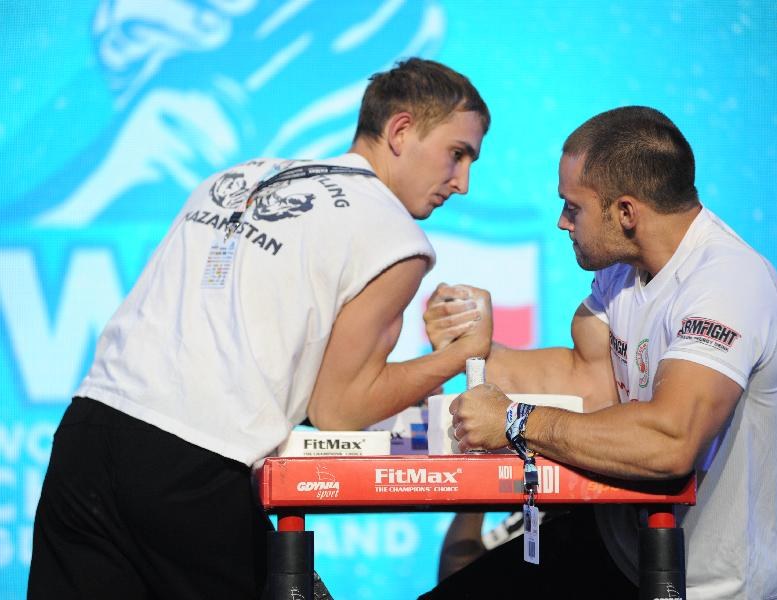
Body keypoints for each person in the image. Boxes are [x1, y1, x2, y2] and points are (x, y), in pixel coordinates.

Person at [28, 57, 492, 600]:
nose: (461, 182)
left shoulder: (237, 176)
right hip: (190, 465)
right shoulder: (393, 235)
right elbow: (339, 408)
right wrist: (464, 352)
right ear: (400, 130)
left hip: (87, 436)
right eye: (457, 155)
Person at [420, 106, 777, 599]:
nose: (562, 222)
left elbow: (670, 442)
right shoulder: (622, 268)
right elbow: (586, 378)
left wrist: (515, 420)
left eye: (572, 207)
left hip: (712, 587)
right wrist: (469, 348)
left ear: (625, 213)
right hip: (619, 555)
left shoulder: (727, 282)